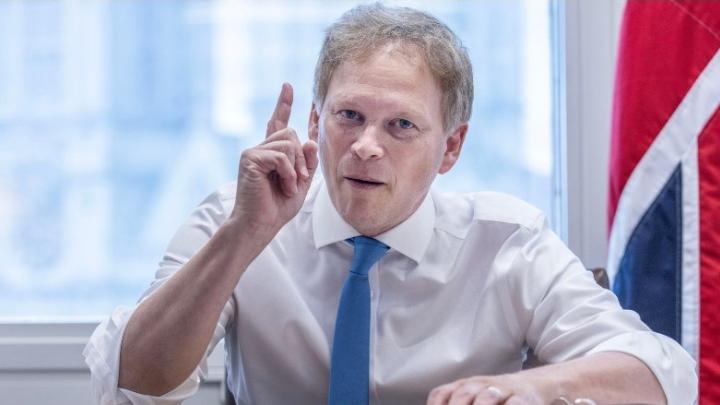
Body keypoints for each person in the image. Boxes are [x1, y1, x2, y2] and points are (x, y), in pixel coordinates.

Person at [84, 4, 697, 405]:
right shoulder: (239, 216)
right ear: (316, 122)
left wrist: (531, 389)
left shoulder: (509, 243)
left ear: (450, 147)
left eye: (401, 125)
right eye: (349, 116)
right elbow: (131, 383)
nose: (366, 146)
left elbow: (665, 373)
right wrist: (241, 239)